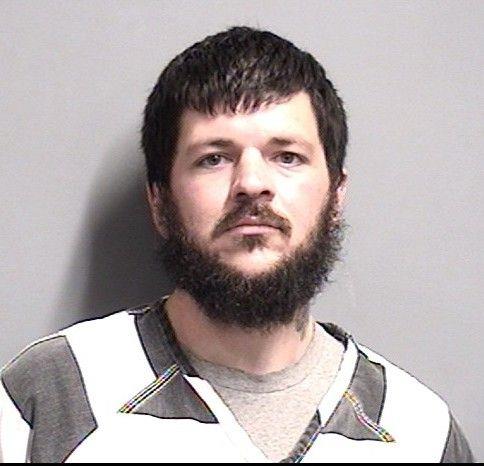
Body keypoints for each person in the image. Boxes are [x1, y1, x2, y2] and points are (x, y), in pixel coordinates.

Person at [0, 26, 474, 463]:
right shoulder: (51, 397)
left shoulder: (420, 432)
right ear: (160, 202)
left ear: (335, 196)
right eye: (213, 159)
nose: (251, 183)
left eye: (287, 156)